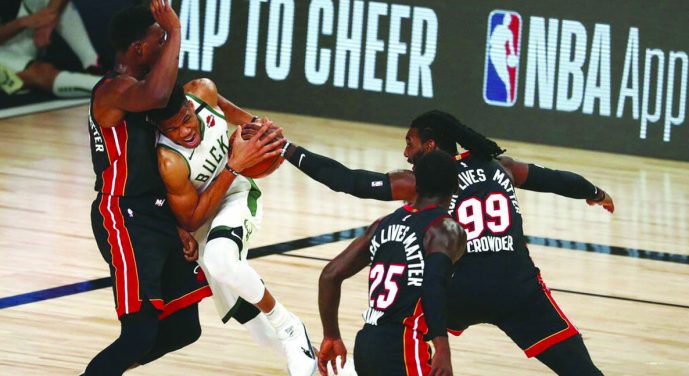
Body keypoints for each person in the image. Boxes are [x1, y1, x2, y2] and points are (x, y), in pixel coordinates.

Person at [248, 110, 609, 375]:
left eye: (411, 143)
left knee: (397, 316)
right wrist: (594, 192)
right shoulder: (502, 166)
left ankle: (357, 367)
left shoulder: (424, 181)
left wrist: (288, 150)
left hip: (457, 292)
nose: (406, 152)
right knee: (579, 368)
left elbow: (347, 179)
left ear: (431, 146)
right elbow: (555, 179)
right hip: (517, 289)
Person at [82, 0, 246, 375]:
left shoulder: (152, 93)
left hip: (156, 213)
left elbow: (183, 98)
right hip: (122, 213)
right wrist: (175, 29)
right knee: (138, 333)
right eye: (160, 41)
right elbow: (156, 92)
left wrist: (175, 222)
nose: (168, 46)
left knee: (183, 329)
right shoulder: (112, 89)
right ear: (139, 48)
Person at [150, 79, 318, 376]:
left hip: (237, 196)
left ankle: (289, 324)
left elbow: (223, 107)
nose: (185, 132)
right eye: (172, 130)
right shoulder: (170, 161)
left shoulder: (203, 92)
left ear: (191, 105)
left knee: (220, 259)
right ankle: (340, 369)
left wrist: (255, 125)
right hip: (202, 219)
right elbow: (191, 220)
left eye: (186, 120)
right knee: (261, 332)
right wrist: (234, 164)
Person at [317, 150, 466, 376]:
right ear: (456, 186)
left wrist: (331, 335)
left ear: (417, 184)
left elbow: (330, 275)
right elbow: (432, 285)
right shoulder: (445, 228)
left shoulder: (383, 224)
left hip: (367, 344)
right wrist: (442, 348)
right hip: (404, 345)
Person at [0, 0, 102, 96]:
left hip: (19, 37)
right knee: (40, 74)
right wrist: (23, 22)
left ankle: (92, 63)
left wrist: (50, 18)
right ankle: (106, 86)